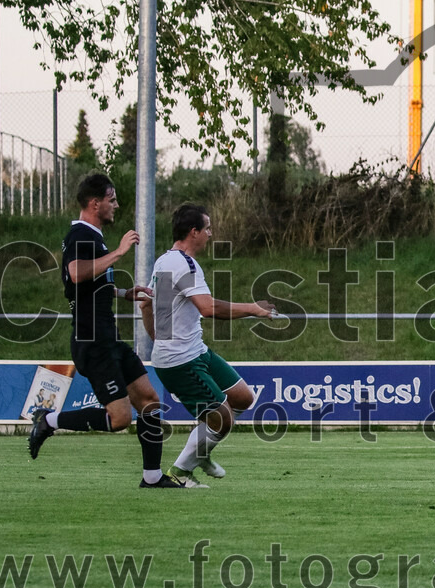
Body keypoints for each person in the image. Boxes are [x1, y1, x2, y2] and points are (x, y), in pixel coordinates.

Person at [29, 172, 183, 488]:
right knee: (120, 418)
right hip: (92, 341)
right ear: (95, 203)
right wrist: (119, 253)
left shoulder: (94, 237)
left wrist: (126, 292)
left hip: (108, 337)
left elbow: (92, 285)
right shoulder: (80, 236)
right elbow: (75, 274)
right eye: (111, 199)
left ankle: (152, 478)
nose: (116, 204)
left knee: (150, 400)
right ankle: (49, 420)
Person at [141, 203, 275, 488]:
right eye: (208, 228)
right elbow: (208, 308)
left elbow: (153, 311)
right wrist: (253, 309)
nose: (211, 233)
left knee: (242, 398)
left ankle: (200, 453)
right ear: (194, 232)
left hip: (193, 351)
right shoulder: (184, 264)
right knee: (222, 420)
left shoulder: (164, 261)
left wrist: (157, 337)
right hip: (181, 360)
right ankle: (182, 470)